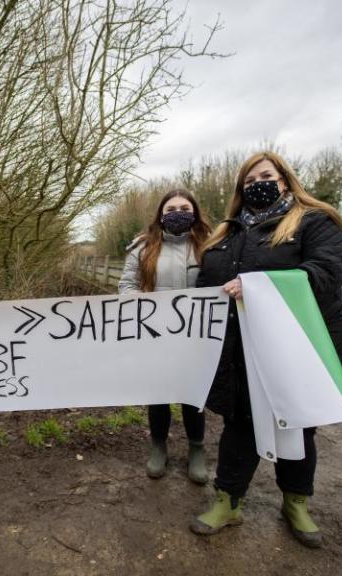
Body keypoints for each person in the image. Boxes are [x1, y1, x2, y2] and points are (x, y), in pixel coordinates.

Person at [188, 151, 342, 548]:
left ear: (285, 180)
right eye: (248, 181)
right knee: (239, 423)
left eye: (265, 176)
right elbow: (208, 286)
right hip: (239, 352)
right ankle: (227, 502)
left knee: (299, 423)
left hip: (297, 349)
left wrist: (262, 286)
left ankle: (296, 502)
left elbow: (329, 269)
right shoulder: (228, 234)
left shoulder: (313, 222)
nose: (256, 185)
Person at [118, 189, 213, 483]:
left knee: (192, 395)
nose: (177, 212)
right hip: (155, 334)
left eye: (184, 207)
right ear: (161, 214)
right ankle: (158, 446)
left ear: (194, 212)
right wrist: (138, 304)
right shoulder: (142, 247)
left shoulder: (210, 245)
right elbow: (127, 285)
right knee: (158, 394)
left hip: (196, 336)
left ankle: (197, 448)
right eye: (171, 208)